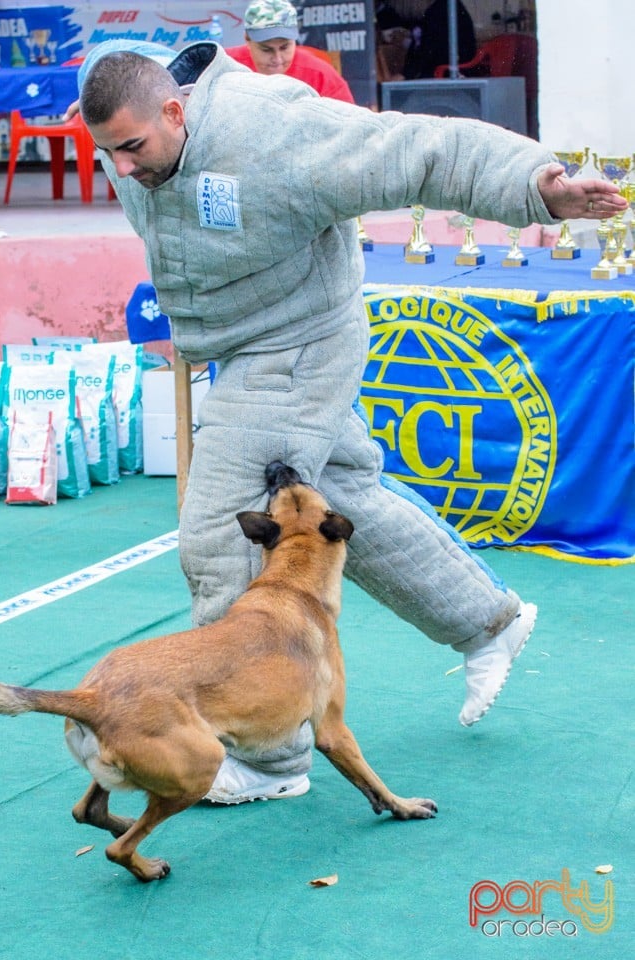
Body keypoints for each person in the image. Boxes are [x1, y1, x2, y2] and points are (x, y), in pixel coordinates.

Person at [76, 39, 625, 805]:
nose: (123, 169)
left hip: (298, 344)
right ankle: (488, 620)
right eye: (109, 153)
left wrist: (540, 186)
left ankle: (271, 759)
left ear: (177, 109)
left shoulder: (274, 131)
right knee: (343, 506)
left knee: (219, 533)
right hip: (237, 341)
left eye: (132, 148)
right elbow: (121, 90)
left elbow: (421, 151)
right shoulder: (131, 128)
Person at [227, 0, 355, 103]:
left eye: (284, 47)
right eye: (266, 49)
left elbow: (350, 125)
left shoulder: (321, 76)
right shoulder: (225, 65)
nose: (277, 59)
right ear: (247, 40)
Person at [404, 0, 476, 80]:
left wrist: (406, 74)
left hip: (448, 73)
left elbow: (428, 47)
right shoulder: (436, 9)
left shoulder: (442, 10)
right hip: (444, 68)